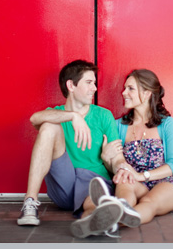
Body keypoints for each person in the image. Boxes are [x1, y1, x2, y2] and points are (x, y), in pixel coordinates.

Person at [17, 60, 139, 238]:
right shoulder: (56, 113)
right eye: (89, 83)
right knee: (48, 126)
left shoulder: (103, 115)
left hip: (94, 181)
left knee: (94, 202)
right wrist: (73, 116)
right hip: (63, 184)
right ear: (71, 85)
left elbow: (117, 158)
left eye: (94, 83)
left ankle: (94, 220)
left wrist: (119, 166)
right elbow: (35, 118)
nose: (95, 88)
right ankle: (30, 202)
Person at [101, 69, 173, 225]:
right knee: (123, 182)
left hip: (167, 183)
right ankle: (114, 215)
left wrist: (141, 176)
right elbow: (116, 165)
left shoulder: (167, 124)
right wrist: (106, 160)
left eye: (130, 88)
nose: (123, 93)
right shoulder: (118, 126)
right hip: (134, 182)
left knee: (149, 202)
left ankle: (110, 221)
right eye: (125, 88)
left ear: (147, 93)